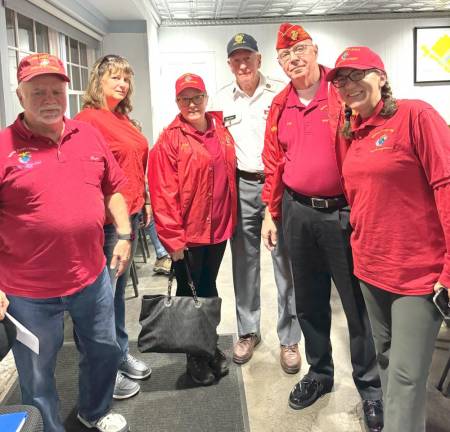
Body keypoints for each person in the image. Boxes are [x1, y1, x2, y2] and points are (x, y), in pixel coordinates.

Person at [261, 23, 383, 431]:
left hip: (342, 213)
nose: (294, 59)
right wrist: (270, 212)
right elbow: (273, 161)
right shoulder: (280, 104)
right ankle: (320, 372)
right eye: (285, 55)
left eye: (300, 50)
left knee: (355, 304)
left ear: (315, 52)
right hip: (297, 212)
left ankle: (370, 388)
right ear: (279, 63)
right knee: (309, 301)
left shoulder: (341, 93)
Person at [0, 53, 130, 432]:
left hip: (92, 277)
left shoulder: (87, 135)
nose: (49, 98)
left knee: (105, 350)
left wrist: (123, 234)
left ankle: (94, 410)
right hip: (28, 292)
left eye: (56, 90)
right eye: (37, 91)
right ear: (20, 96)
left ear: (67, 92)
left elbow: (114, 189)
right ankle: (49, 427)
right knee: (38, 373)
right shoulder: (3, 146)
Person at [327, 45, 449, 432]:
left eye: (357, 74)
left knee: (408, 376)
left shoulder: (416, 115)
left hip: (418, 275)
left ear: (381, 76)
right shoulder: (350, 132)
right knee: (387, 360)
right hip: (370, 268)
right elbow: (357, 196)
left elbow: (447, 186)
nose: (349, 85)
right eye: (341, 80)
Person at [210, 33, 301, 372]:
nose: (243, 63)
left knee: (285, 264)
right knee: (243, 264)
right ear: (230, 64)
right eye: (236, 58)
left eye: (248, 56)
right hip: (242, 187)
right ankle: (248, 331)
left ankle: (289, 337)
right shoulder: (220, 100)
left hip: (280, 187)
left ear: (259, 60)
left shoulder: (281, 91)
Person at [148, 73, 237, 386]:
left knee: (208, 289)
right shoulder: (168, 141)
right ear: (177, 103)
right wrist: (172, 238)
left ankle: (207, 345)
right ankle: (195, 358)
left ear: (206, 97)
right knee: (189, 294)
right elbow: (162, 194)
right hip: (189, 235)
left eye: (197, 96)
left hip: (218, 230)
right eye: (185, 98)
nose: (192, 103)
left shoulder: (220, 131)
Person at [75, 54, 151, 400]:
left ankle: (119, 353)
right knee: (100, 301)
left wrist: (145, 201)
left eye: (125, 79)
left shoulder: (122, 118)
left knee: (117, 296)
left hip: (129, 217)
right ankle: (104, 371)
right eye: (115, 78)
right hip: (105, 225)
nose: (122, 84)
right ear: (99, 81)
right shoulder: (87, 121)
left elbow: (135, 163)